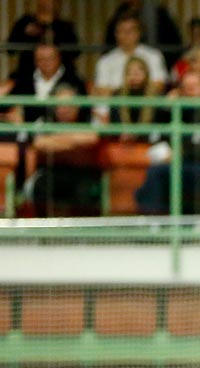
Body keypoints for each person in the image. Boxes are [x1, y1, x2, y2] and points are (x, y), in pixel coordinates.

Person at [134, 68, 200, 215]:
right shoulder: (181, 110)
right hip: (188, 166)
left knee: (158, 173)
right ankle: (157, 222)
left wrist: (179, 155)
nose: (189, 92)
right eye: (185, 88)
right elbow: (155, 136)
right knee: (157, 173)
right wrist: (166, 110)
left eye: (193, 87)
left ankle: (153, 221)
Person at [26, 84, 99, 216]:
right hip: (51, 172)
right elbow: (39, 143)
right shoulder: (44, 121)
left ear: (77, 106)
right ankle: (43, 233)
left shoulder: (89, 120)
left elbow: (91, 138)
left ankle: (83, 235)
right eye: (60, 105)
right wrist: (73, 140)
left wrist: (56, 140)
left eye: (68, 105)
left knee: (86, 191)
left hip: (82, 173)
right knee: (41, 188)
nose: (64, 109)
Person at [3, 43, 86, 122]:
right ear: (35, 60)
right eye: (41, 59)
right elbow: (7, 106)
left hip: (60, 132)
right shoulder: (24, 79)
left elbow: (82, 113)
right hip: (27, 131)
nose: (46, 62)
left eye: (50, 58)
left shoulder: (74, 80)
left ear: (59, 58)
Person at [92, 14, 167, 97]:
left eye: (130, 31)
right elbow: (101, 90)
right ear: (116, 34)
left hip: (146, 104)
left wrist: (121, 90)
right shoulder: (105, 61)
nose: (125, 35)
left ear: (139, 33)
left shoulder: (153, 56)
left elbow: (159, 85)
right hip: (114, 106)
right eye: (121, 31)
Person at [7, 0, 79, 81]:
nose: (46, 4)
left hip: (62, 76)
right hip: (27, 75)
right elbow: (10, 50)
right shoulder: (25, 22)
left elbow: (75, 52)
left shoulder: (65, 26)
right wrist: (24, 33)